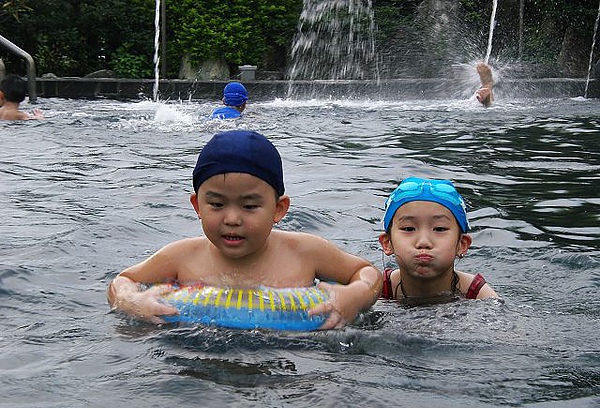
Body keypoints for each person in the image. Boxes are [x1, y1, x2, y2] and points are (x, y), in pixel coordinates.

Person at [107, 130, 382, 328]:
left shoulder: (306, 252)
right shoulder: (182, 256)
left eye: (249, 206)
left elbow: (367, 273)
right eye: (216, 204)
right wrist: (131, 301)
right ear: (197, 205)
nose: (232, 218)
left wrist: (353, 296)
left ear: (278, 209)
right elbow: (123, 280)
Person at [378, 177, 498, 306]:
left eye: (439, 229)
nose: (424, 242)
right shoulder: (376, 288)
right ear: (387, 243)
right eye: (409, 228)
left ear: (461, 244)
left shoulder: (478, 295)